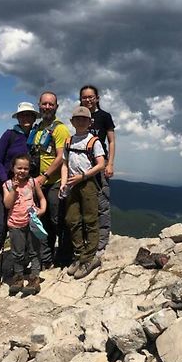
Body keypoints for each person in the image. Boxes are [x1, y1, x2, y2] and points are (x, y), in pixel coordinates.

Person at [0, 102, 40, 287]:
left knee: (26, 224)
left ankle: (25, 263)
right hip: (7, 186)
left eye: (29, 115)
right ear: (18, 117)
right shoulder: (9, 135)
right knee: (1, 224)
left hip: (26, 187)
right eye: (23, 115)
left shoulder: (36, 136)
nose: (26, 118)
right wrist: (4, 182)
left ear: (33, 118)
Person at [60, 106, 105, 279]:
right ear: (72, 122)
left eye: (84, 119)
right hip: (72, 182)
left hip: (87, 183)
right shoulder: (68, 141)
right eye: (77, 119)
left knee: (90, 220)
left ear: (89, 122)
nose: (80, 121)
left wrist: (83, 176)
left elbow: (101, 164)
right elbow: (64, 163)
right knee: (71, 220)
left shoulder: (93, 141)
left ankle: (89, 258)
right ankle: (79, 255)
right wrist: (64, 183)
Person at [27, 91, 71, 268]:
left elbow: (61, 156)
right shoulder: (37, 129)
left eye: (51, 104)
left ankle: (65, 256)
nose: (47, 107)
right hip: (38, 183)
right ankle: (46, 258)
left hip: (53, 182)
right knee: (42, 221)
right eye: (44, 104)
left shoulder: (60, 129)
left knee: (57, 220)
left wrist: (44, 176)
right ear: (39, 105)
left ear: (56, 107)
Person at [3, 154, 47, 296]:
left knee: (34, 251)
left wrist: (42, 209)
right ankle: (18, 278)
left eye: (25, 168)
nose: (22, 171)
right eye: (19, 168)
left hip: (31, 222)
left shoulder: (33, 182)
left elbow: (41, 198)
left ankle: (34, 279)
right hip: (15, 223)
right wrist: (13, 190)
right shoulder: (8, 185)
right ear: (13, 168)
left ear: (29, 170)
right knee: (17, 253)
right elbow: (7, 204)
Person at [79, 85, 116, 253]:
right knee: (85, 202)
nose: (88, 100)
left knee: (102, 201)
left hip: (100, 164)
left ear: (97, 98)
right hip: (83, 164)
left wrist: (110, 163)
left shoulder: (104, 116)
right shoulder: (80, 116)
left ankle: (102, 239)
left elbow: (111, 141)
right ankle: (90, 236)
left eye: (90, 97)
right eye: (84, 97)